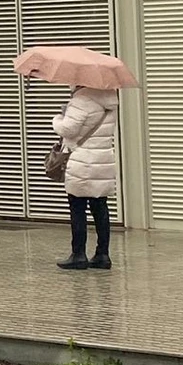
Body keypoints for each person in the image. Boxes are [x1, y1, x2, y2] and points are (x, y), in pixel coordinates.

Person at [52, 86, 119, 271]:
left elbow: (68, 130)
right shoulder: (110, 100)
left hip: (82, 161)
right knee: (100, 207)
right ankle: (103, 255)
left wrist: (58, 119)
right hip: (103, 160)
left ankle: (78, 254)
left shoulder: (81, 100)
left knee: (78, 207)